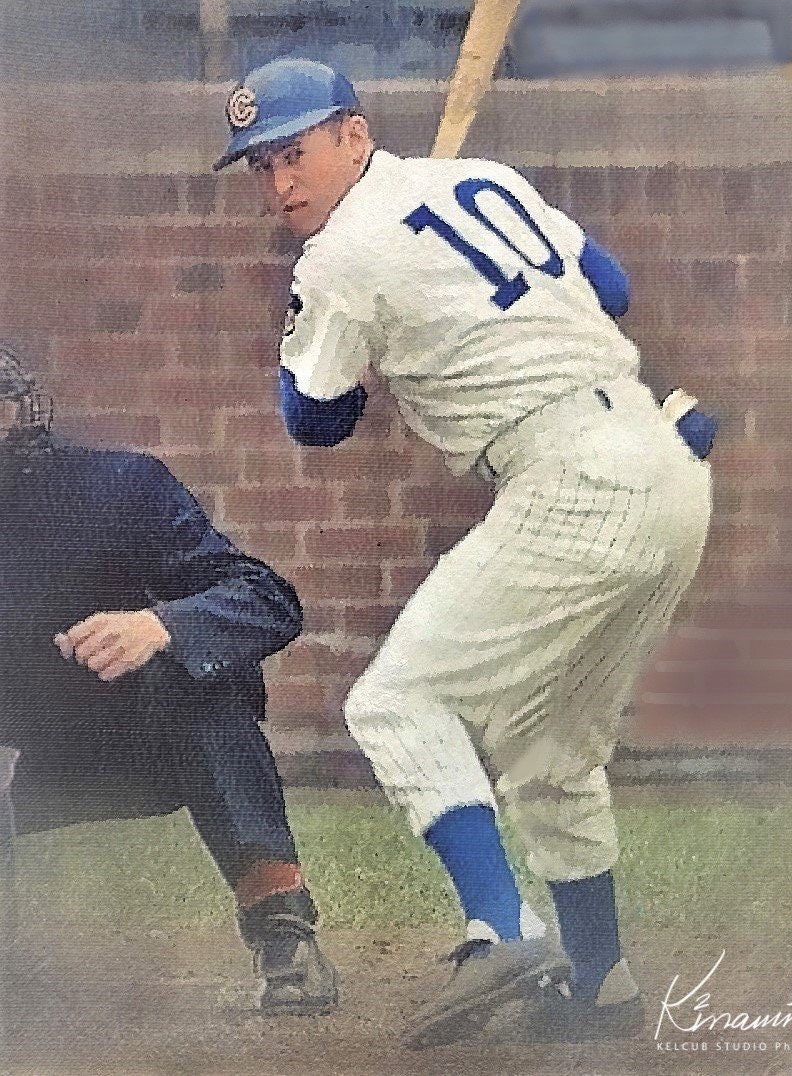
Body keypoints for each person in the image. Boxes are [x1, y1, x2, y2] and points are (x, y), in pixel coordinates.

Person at [213, 56, 716, 1046]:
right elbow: (609, 285)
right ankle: (599, 985)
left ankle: (501, 925)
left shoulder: (337, 257)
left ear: (355, 134)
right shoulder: (481, 177)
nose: (280, 183)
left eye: (297, 151)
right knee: (545, 752)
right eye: (260, 166)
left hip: (574, 477)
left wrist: (350, 323)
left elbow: (313, 420)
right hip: (665, 467)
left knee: (394, 699)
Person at [0, 346, 337, 1017]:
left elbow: (269, 599)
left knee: (204, 675)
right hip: (13, 769)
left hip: (128, 746)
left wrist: (161, 625)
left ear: (16, 408)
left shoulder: (115, 488)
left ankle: (282, 926)